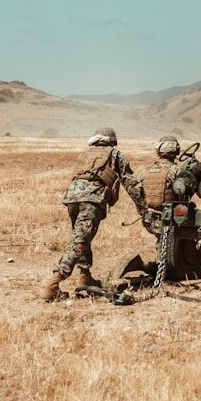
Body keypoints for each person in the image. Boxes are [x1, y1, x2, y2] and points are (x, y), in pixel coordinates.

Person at [41, 127, 137, 301]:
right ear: (112, 140)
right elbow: (130, 183)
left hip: (72, 199)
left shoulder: (85, 154)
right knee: (79, 241)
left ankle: (85, 275)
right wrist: (144, 208)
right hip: (91, 200)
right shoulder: (115, 154)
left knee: (81, 238)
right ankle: (53, 283)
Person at [128, 135, 182, 219]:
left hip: (149, 218)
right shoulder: (177, 171)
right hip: (170, 218)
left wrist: (143, 208)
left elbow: (133, 189)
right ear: (176, 151)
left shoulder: (144, 170)